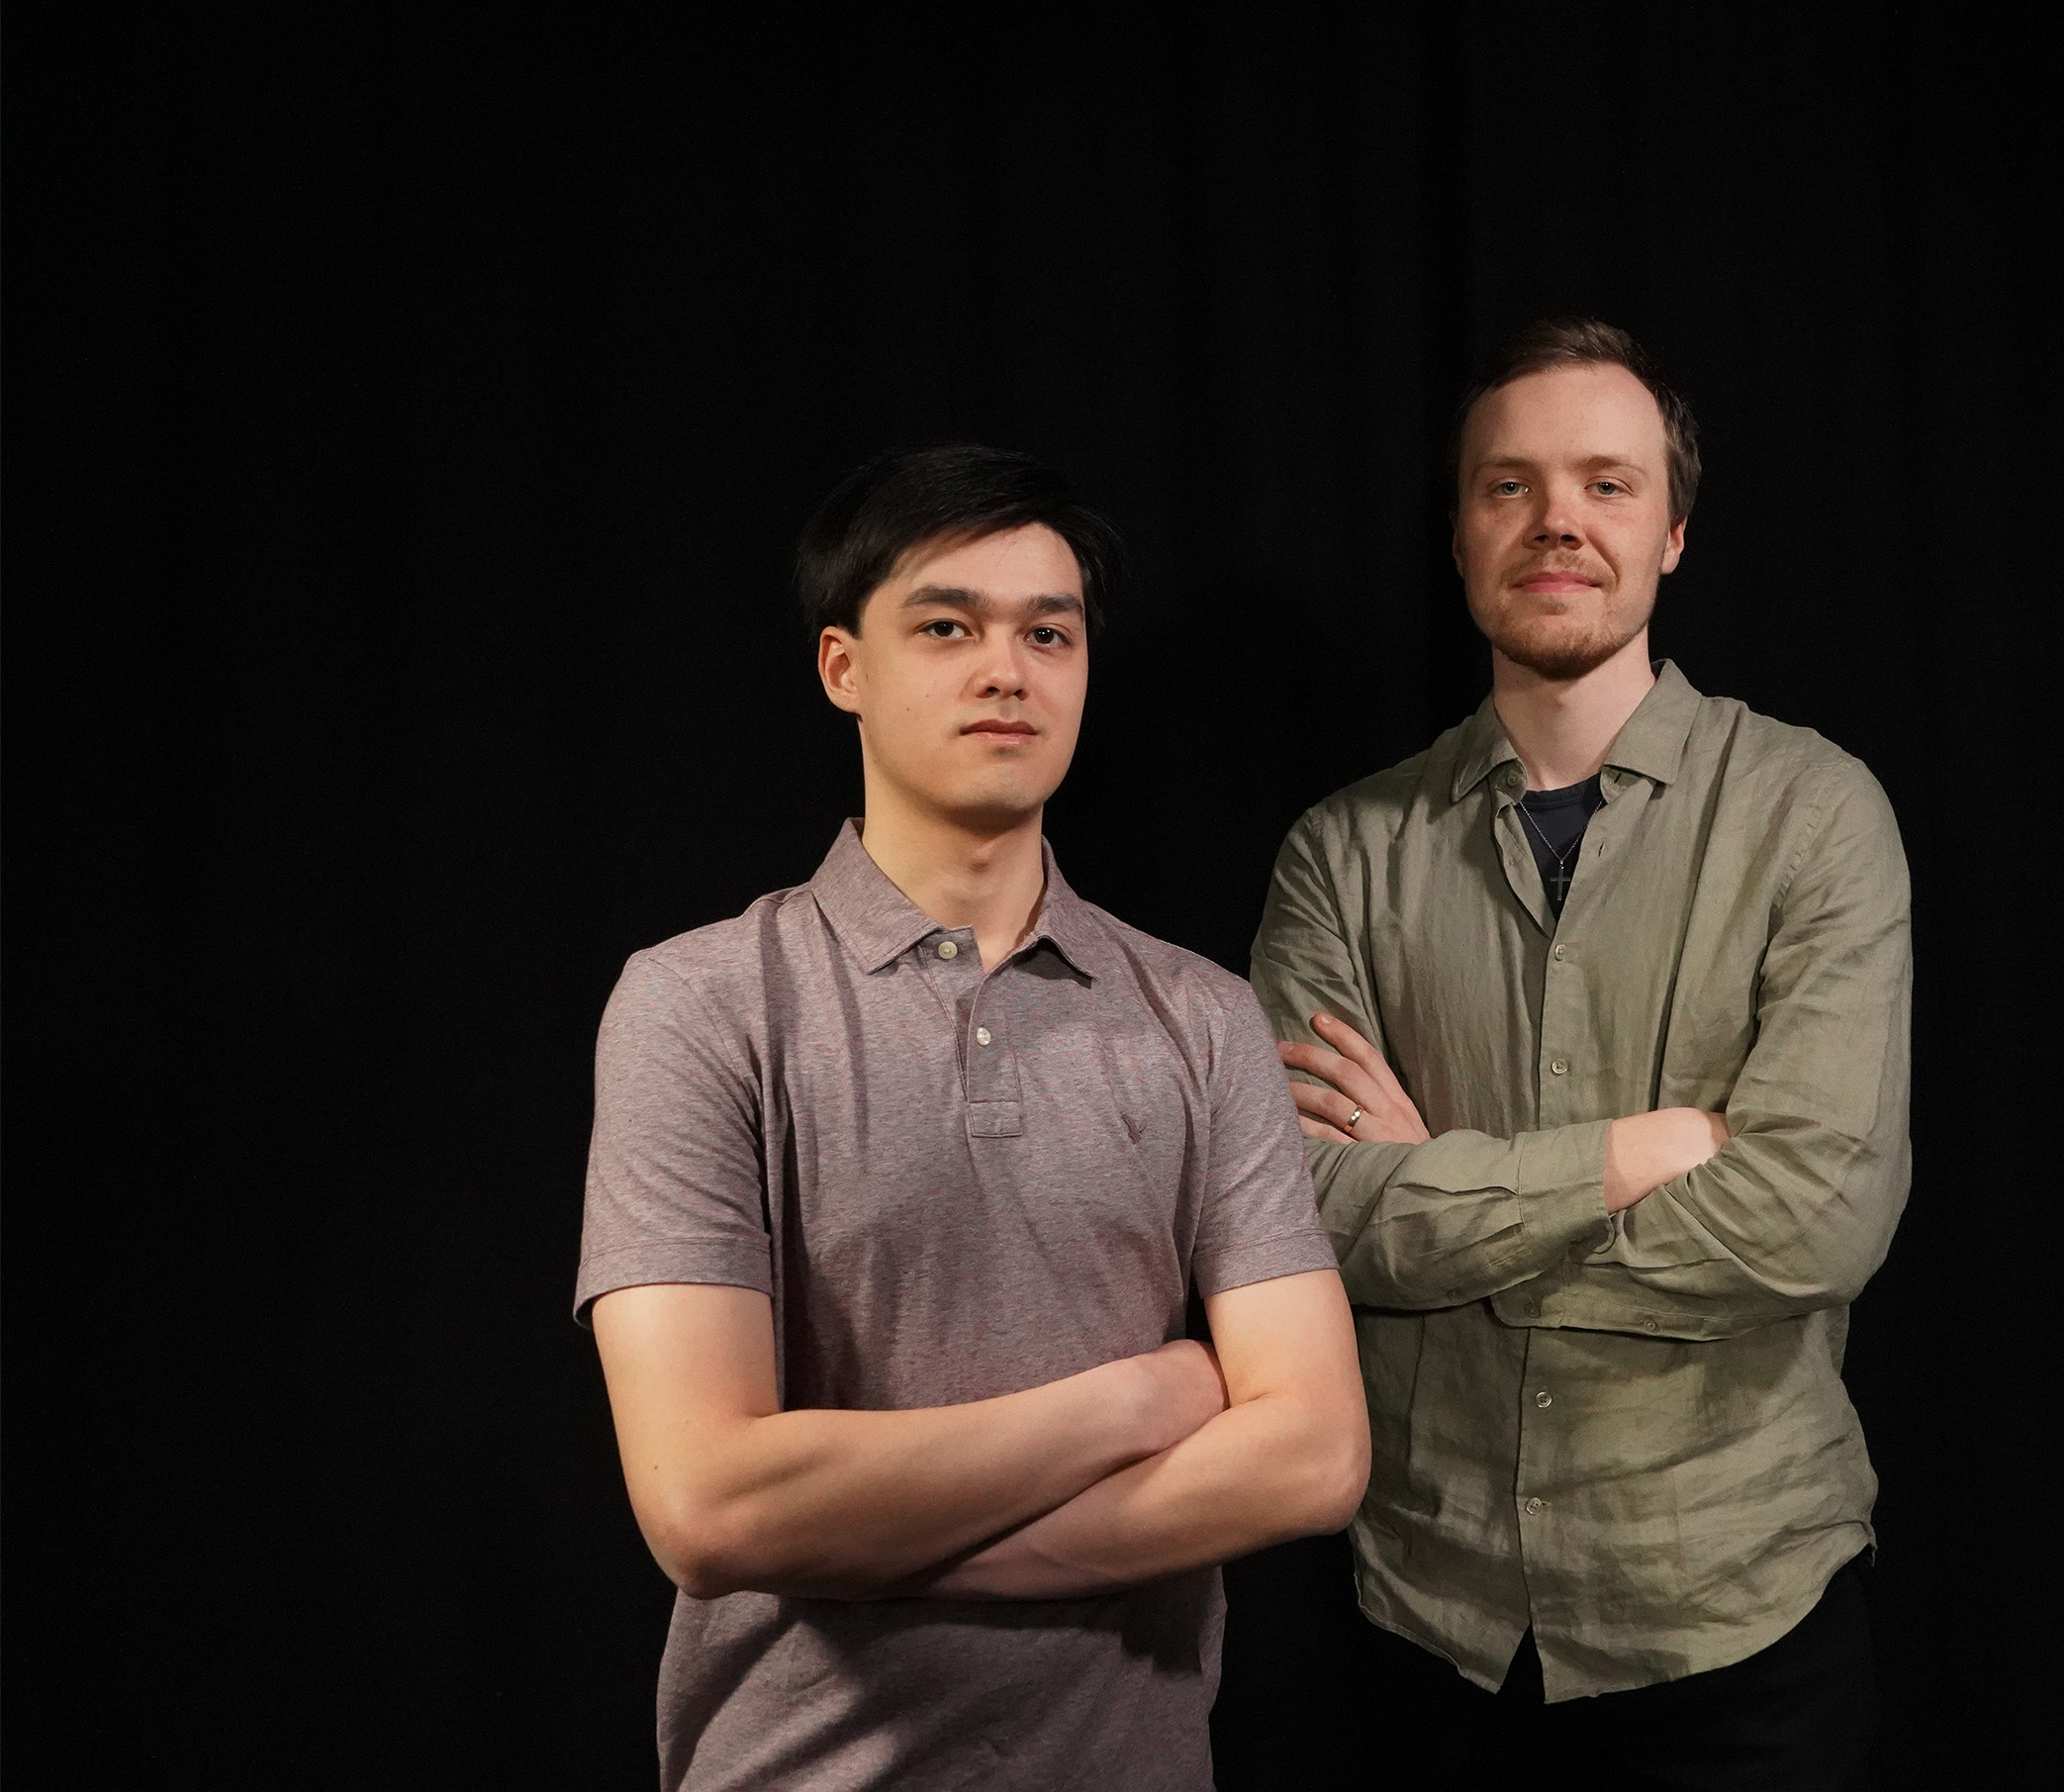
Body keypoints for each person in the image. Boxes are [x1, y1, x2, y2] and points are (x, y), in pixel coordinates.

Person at [577, 444, 1366, 1791]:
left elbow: (1313, 1456)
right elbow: (707, 1504)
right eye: (947, 627)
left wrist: (890, 1550)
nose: (1007, 669)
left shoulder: (1202, 1015)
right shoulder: (701, 1004)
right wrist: (1143, 1397)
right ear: (844, 668)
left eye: (1047, 634)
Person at [1249, 320, 1910, 1788]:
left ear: (1672, 532)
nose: (1558, 520)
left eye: (1607, 484)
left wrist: (1440, 1196)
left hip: (1739, 1622)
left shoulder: (1815, 816)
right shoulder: (1341, 856)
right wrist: (1636, 1154)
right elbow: (1304, 1219)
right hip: (1427, 1626)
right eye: (1511, 486)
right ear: (1460, 537)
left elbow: (1818, 1220)